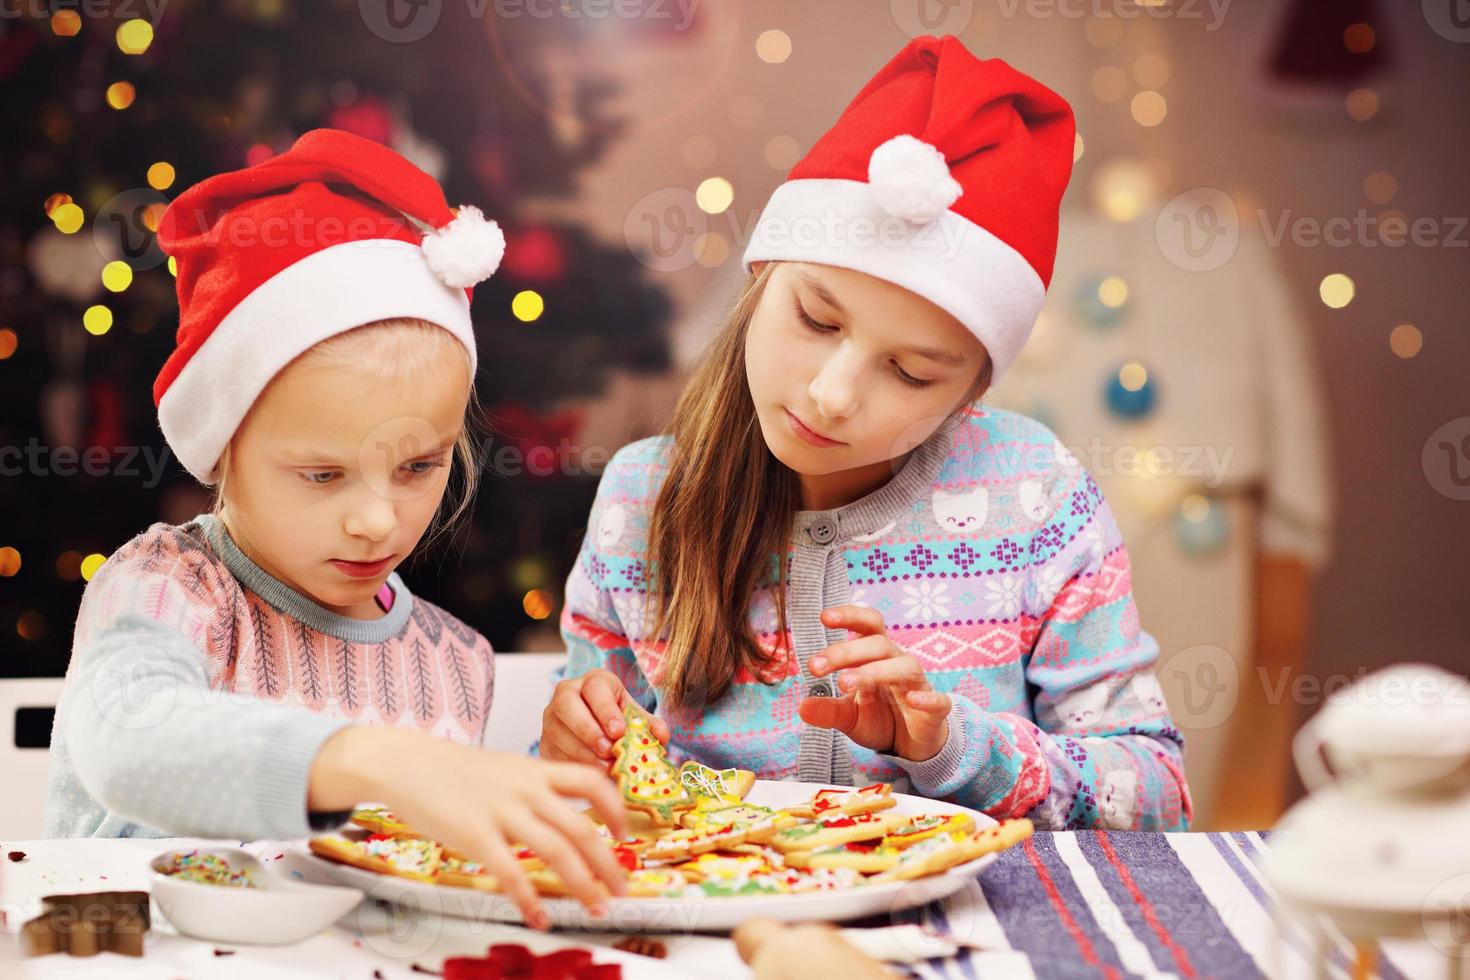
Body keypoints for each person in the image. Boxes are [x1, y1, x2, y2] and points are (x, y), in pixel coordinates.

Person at [541, 36, 1192, 831]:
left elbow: (1158, 794)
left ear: (970, 392)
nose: (832, 393)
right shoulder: (643, 501)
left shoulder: (1033, 493)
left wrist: (955, 746)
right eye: (815, 319)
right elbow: (580, 785)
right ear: (761, 275)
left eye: (912, 373)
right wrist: (575, 745)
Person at [44, 129, 627, 928]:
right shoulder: (170, 592)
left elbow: (437, 866)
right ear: (225, 452)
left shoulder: (450, 662)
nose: (376, 520)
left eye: (419, 466)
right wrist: (364, 759)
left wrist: (553, 772)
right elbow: (126, 741)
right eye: (322, 475)